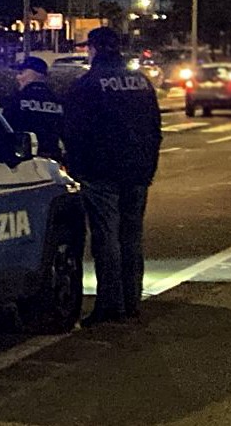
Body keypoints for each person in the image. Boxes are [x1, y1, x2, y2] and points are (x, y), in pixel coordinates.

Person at [63, 26, 162, 326]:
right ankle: (132, 301)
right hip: (137, 172)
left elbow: (75, 132)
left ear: (93, 49)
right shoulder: (141, 83)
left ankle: (110, 306)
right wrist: (148, 168)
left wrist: (77, 168)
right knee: (131, 237)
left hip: (101, 173)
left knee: (106, 239)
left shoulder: (88, 85)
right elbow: (155, 128)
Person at [3, 56, 64, 159]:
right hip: (52, 160)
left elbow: (5, 130)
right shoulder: (57, 100)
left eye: (21, 73)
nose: (18, 77)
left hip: (24, 160)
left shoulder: (17, 99)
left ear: (34, 74)